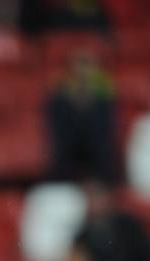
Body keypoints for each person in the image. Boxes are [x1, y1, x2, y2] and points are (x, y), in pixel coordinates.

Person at [45, 49, 119, 183]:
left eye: (86, 66)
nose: (82, 71)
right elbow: (58, 130)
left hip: (95, 144)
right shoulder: (60, 95)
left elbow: (107, 128)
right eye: (78, 66)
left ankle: (104, 187)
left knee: (105, 152)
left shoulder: (103, 95)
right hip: (69, 144)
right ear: (70, 70)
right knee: (60, 157)